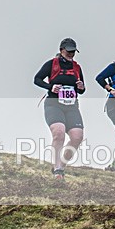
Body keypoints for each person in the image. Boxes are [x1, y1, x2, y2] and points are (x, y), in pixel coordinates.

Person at [34, 38, 87, 180]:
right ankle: (57, 167)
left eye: (73, 51)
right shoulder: (52, 64)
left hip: (71, 106)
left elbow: (81, 90)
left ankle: (61, 164)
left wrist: (81, 87)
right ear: (61, 50)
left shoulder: (77, 67)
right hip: (54, 104)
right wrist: (50, 86)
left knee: (77, 137)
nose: (71, 54)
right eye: (68, 51)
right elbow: (37, 79)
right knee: (59, 133)